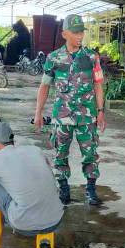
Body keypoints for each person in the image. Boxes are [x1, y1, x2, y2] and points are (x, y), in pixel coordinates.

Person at [35, 14, 106, 205]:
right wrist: (38, 113)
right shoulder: (54, 58)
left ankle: (90, 189)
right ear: (64, 33)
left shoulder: (91, 57)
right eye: (75, 32)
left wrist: (101, 111)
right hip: (62, 116)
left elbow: (98, 85)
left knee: (90, 153)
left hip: (86, 116)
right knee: (60, 153)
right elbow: (45, 86)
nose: (79, 36)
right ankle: (63, 188)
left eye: (81, 31)